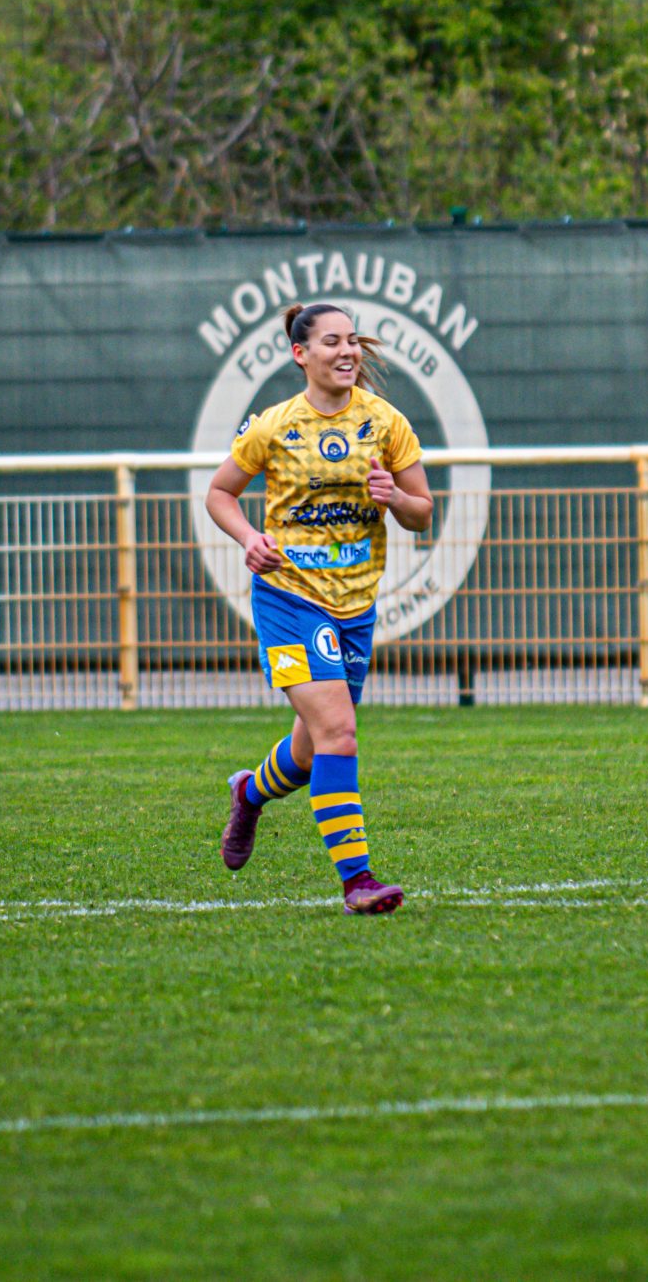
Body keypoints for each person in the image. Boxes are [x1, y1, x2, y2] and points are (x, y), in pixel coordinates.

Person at [205, 303, 435, 915]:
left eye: (351, 340)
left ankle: (250, 793)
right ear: (300, 354)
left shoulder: (385, 422)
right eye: (331, 341)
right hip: (288, 599)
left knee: (311, 753)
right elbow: (220, 492)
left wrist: (396, 498)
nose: (347, 351)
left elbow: (422, 512)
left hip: (355, 606)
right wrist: (248, 538)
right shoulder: (274, 426)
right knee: (340, 732)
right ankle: (358, 881)